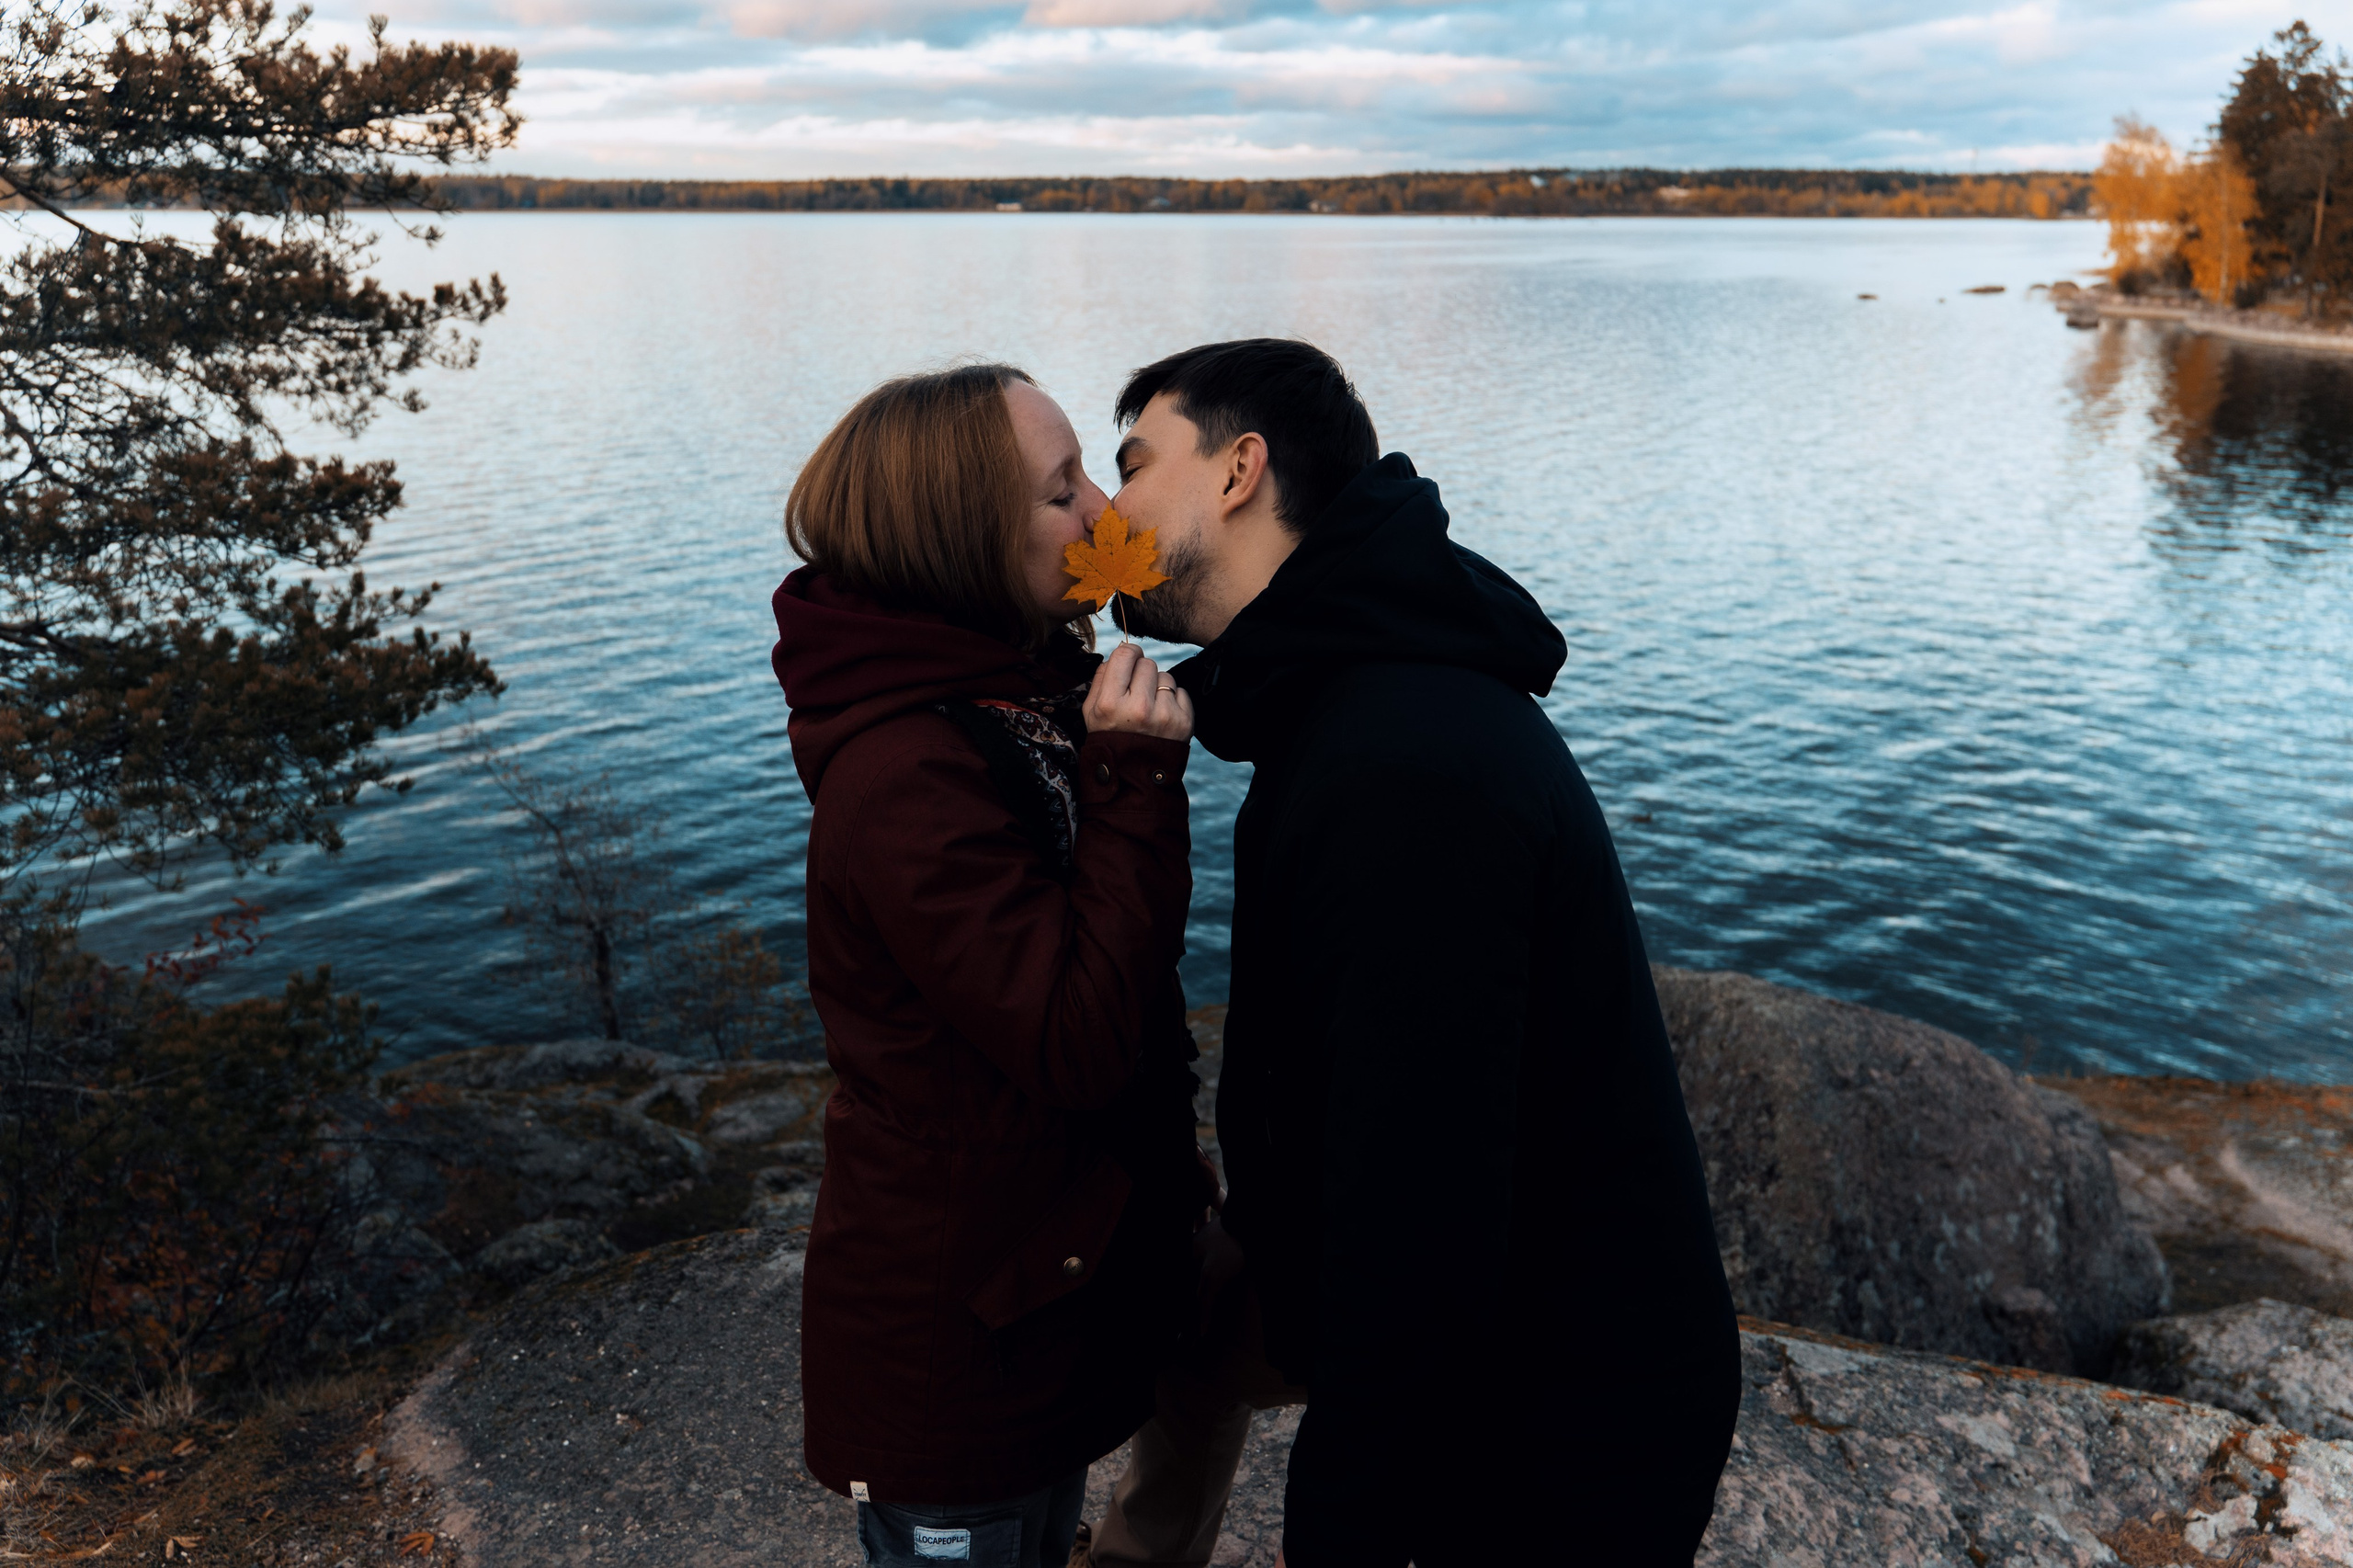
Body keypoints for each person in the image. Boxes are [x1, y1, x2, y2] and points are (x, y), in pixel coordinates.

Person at [1088, 339, 1741, 1568]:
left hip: (1557, 1414)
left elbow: (1421, 1206)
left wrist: (1348, 1523)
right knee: (1193, 1305)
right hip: (1452, 1317)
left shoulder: (1403, 766)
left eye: (1131, 466)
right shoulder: (1345, 698)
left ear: (1238, 471)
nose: (1107, 512)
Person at [770, 364, 1214, 1568]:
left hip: (1035, 1302)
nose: (1100, 515)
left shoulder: (1012, 687)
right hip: (959, 1351)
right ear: (965, 533)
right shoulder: (906, 772)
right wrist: (1133, 777)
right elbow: (1072, 1036)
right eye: (1060, 488)